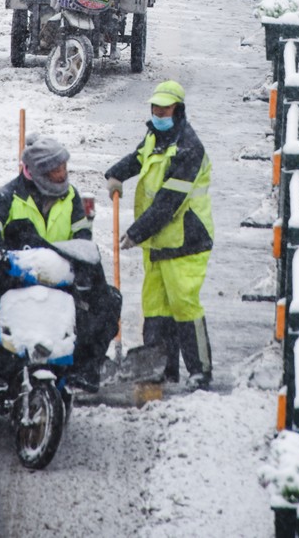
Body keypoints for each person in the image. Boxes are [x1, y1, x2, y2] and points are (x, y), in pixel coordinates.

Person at [0, 135, 121, 394]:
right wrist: (4, 255)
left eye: (64, 169)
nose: (62, 175)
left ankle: (82, 368)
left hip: (59, 277)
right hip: (17, 275)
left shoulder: (71, 198)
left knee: (106, 303)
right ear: (38, 172)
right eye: (56, 170)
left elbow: (82, 237)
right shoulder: (7, 196)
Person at [105, 80, 214, 390]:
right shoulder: (157, 137)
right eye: (154, 108)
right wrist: (116, 173)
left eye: (164, 109)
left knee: (184, 306)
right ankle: (162, 367)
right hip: (158, 241)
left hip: (187, 240)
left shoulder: (189, 149)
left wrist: (136, 233)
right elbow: (139, 157)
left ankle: (200, 371)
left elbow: (168, 203)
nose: (158, 113)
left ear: (177, 111)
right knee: (155, 307)